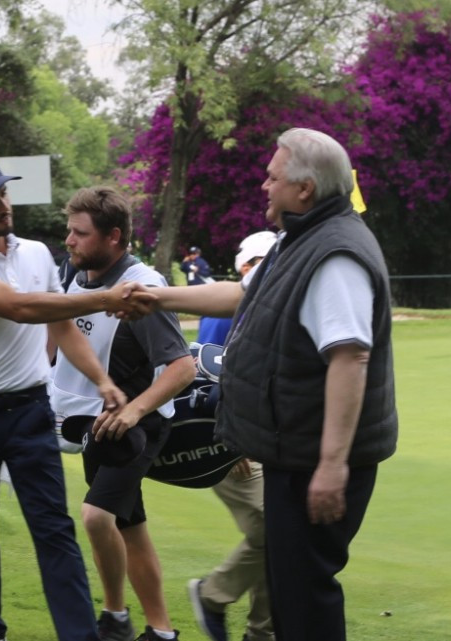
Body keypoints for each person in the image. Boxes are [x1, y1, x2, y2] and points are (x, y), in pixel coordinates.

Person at [123, 128, 398, 641]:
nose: (263, 186)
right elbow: (239, 295)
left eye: (273, 177)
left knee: (306, 595)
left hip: (314, 457)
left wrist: (332, 465)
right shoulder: (299, 241)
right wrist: (157, 299)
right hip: (292, 451)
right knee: (292, 590)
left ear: (305, 188)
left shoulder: (334, 256)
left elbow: (351, 357)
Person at [0, 152, 154, 641]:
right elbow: (20, 307)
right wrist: (103, 298)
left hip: (30, 411)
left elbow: (61, 324)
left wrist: (102, 380)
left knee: (55, 531)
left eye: (4, 193)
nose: (2, 205)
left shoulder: (33, 252)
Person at [50, 187, 197, 641]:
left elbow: (182, 366)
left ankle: (114, 618)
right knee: (131, 528)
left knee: (97, 517)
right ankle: (162, 631)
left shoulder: (142, 288)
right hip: (98, 423)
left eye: (80, 233)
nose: (69, 242)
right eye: (69, 232)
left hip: (137, 424)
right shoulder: (73, 275)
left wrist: (133, 411)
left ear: (114, 237)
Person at [186, 229, 279, 641]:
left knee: (277, 538)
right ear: (246, 267)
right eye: (262, 264)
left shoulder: (266, 303)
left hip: (262, 438)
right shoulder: (229, 310)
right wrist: (228, 443)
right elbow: (207, 375)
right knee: (272, 529)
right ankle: (211, 596)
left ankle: (261, 633)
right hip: (230, 443)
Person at [196, 232, 277, 346]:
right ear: (246, 268)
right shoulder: (221, 316)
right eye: (269, 260)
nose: (279, 265)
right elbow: (206, 360)